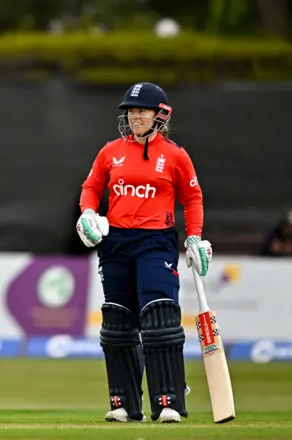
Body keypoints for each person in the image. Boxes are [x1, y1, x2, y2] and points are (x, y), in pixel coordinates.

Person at [76, 82, 212, 424]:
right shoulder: (110, 151)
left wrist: (194, 238)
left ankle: (169, 400)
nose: (134, 116)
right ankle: (123, 402)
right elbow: (91, 187)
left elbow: (192, 199)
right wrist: (88, 213)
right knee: (118, 323)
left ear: (159, 115)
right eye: (131, 111)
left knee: (159, 319)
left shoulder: (176, 155)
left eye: (141, 111)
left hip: (156, 241)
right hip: (116, 242)